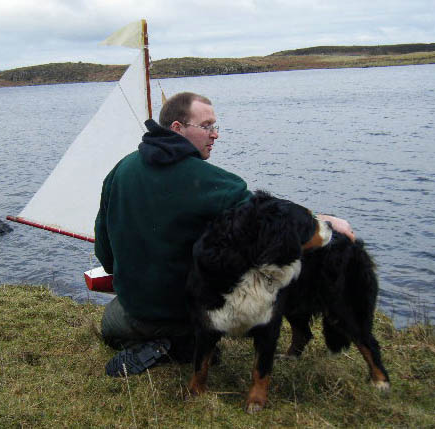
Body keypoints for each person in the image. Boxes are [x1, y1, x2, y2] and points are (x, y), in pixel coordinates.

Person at [94, 92, 354, 376]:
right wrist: (322, 221)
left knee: (110, 324)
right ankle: (179, 343)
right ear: (177, 128)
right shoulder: (209, 181)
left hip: (135, 308)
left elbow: (105, 254)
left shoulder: (120, 170)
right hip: (189, 311)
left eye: (215, 126)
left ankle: (158, 340)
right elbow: (270, 215)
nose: (215, 134)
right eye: (206, 126)